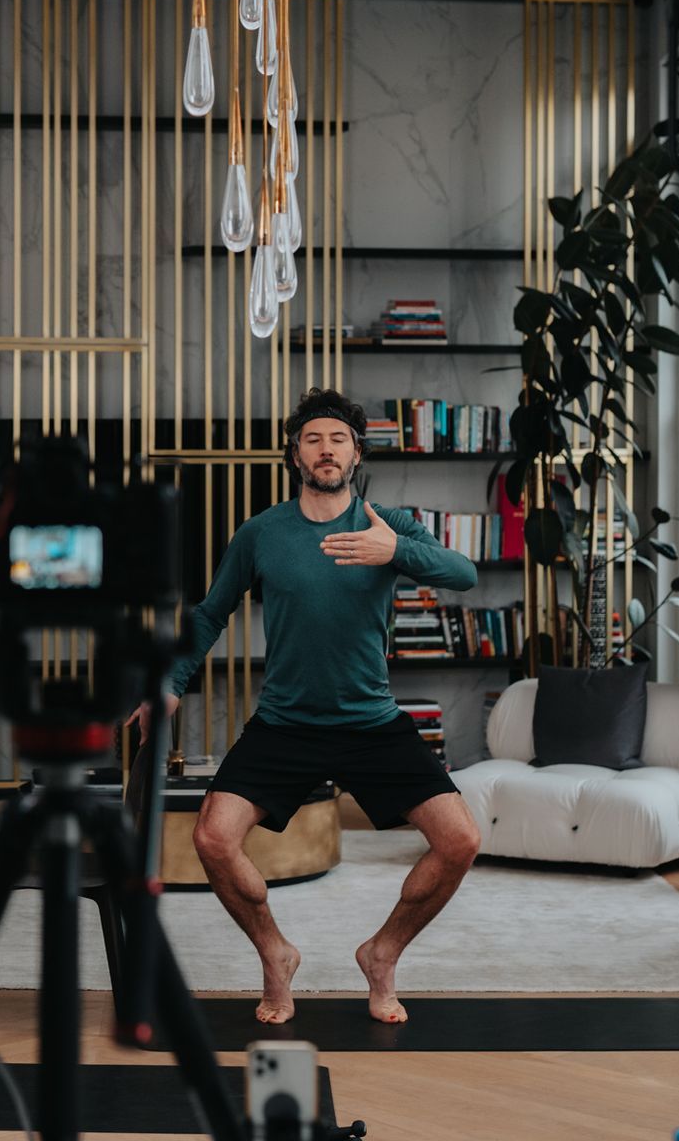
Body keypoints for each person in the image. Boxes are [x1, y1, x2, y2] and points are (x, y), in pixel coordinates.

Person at [127, 388, 483, 1026]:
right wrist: (172, 683)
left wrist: (393, 551)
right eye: (314, 438)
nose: (326, 449)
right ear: (295, 454)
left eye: (338, 438)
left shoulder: (387, 525)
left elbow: (463, 573)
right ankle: (275, 953)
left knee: (459, 840)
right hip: (285, 724)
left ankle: (382, 954)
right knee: (212, 836)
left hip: (372, 722)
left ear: (355, 452)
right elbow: (209, 614)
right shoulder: (263, 533)